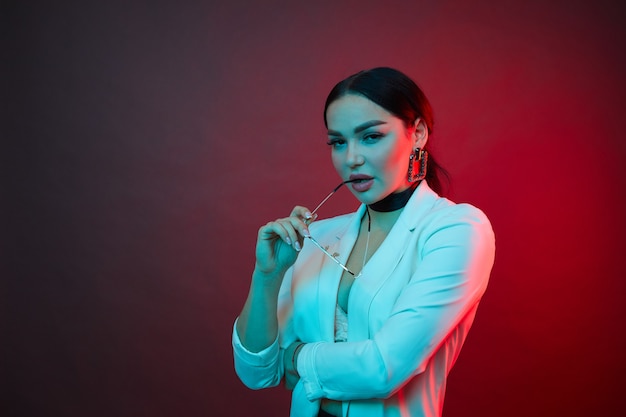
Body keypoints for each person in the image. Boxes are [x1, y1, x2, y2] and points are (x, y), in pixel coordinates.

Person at [232, 67, 495, 417]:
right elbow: (256, 372)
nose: (351, 158)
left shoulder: (456, 230)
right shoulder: (317, 236)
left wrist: (295, 356)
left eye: (370, 136)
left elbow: (384, 368)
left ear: (417, 133)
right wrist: (267, 276)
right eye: (338, 142)